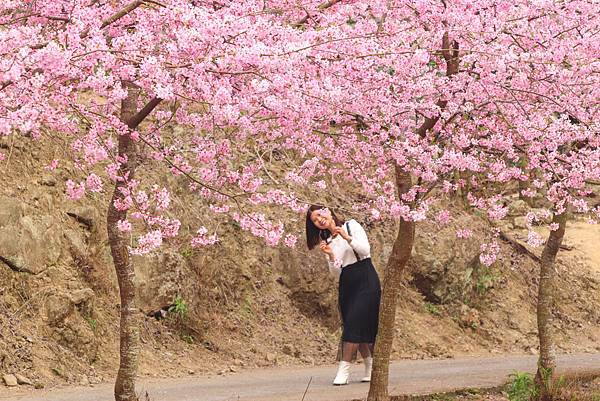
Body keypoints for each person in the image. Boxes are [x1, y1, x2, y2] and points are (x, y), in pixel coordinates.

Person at [306, 205, 381, 385]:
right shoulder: (328, 242)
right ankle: (370, 366)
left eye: (320, 215)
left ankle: (344, 368)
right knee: (354, 324)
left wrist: (347, 238)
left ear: (328, 211)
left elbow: (365, 251)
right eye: (315, 221)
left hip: (366, 277)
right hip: (347, 283)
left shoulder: (351, 226)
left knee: (355, 322)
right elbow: (336, 273)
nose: (319, 220)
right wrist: (331, 256)